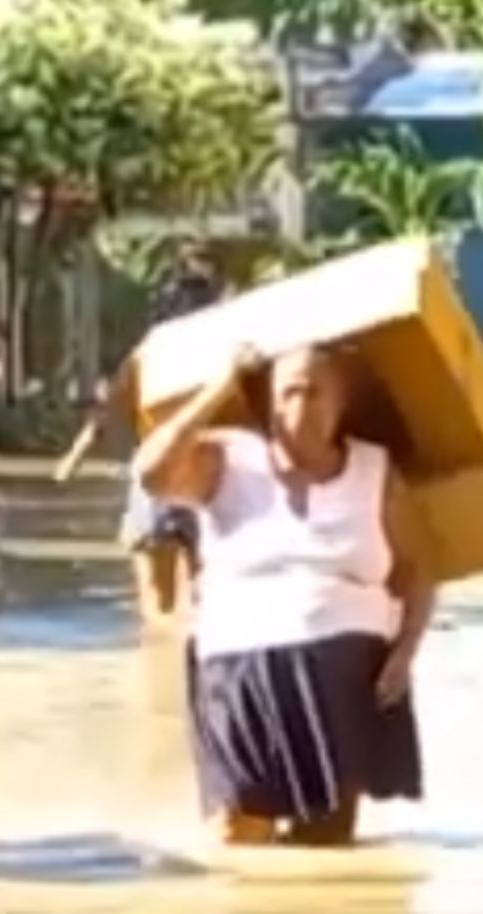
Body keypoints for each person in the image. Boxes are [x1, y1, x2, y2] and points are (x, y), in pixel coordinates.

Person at [135, 343, 436, 847]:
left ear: (342, 404)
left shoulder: (375, 470)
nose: (301, 407)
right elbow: (150, 474)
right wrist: (221, 386)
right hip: (240, 666)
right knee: (239, 830)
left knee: (327, 840)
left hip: (346, 672)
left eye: (316, 392)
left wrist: (406, 651)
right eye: (288, 392)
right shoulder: (226, 457)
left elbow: (418, 570)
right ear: (267, 402)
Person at [54, 247, 224, 623]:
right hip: (204, 480)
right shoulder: (222, 354)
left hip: (161, 479)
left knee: (159, 606)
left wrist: (72, 461)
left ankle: (160, 669)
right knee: (206, 599)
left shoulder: (150, 353)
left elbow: (109, 410)